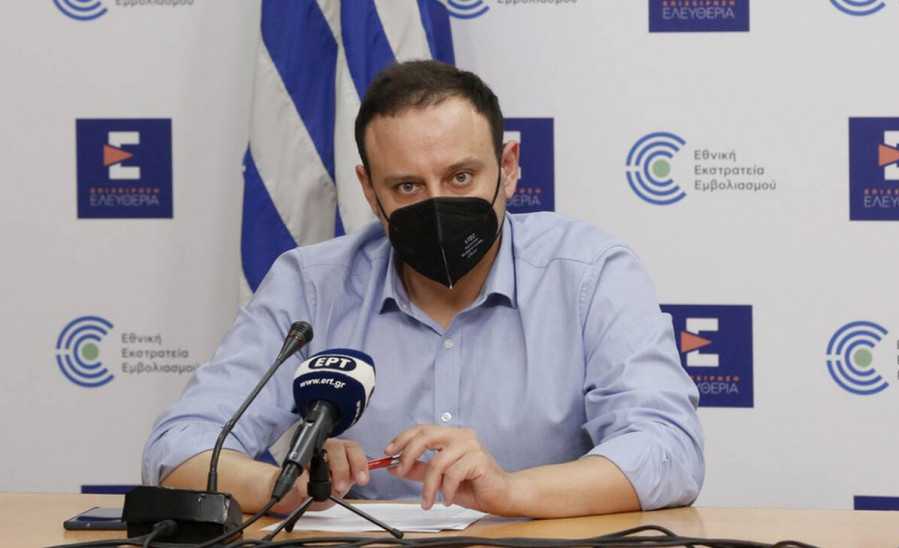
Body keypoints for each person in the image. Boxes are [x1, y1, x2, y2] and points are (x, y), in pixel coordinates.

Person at [143, 60, 704, 518]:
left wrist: (511, 491)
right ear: (370, 190)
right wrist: (287, 485)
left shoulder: (590, 274)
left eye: (461, 177)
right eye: (407, 186)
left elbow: (668, 449)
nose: (437, 207)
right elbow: (178, 447)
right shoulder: (311, 286)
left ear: (508, 168)